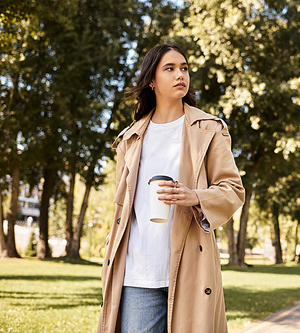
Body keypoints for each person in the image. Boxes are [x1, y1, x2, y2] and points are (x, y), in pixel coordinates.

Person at [97, 44, 245, 333]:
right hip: (138, 272)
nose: (181, 75)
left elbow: (233, 189)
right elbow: (123, 206)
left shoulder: (209, 129)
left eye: (184, 68)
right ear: (151, 80)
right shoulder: (130, 138)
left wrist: (196, 197)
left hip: (191, 267)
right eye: (170, 68)